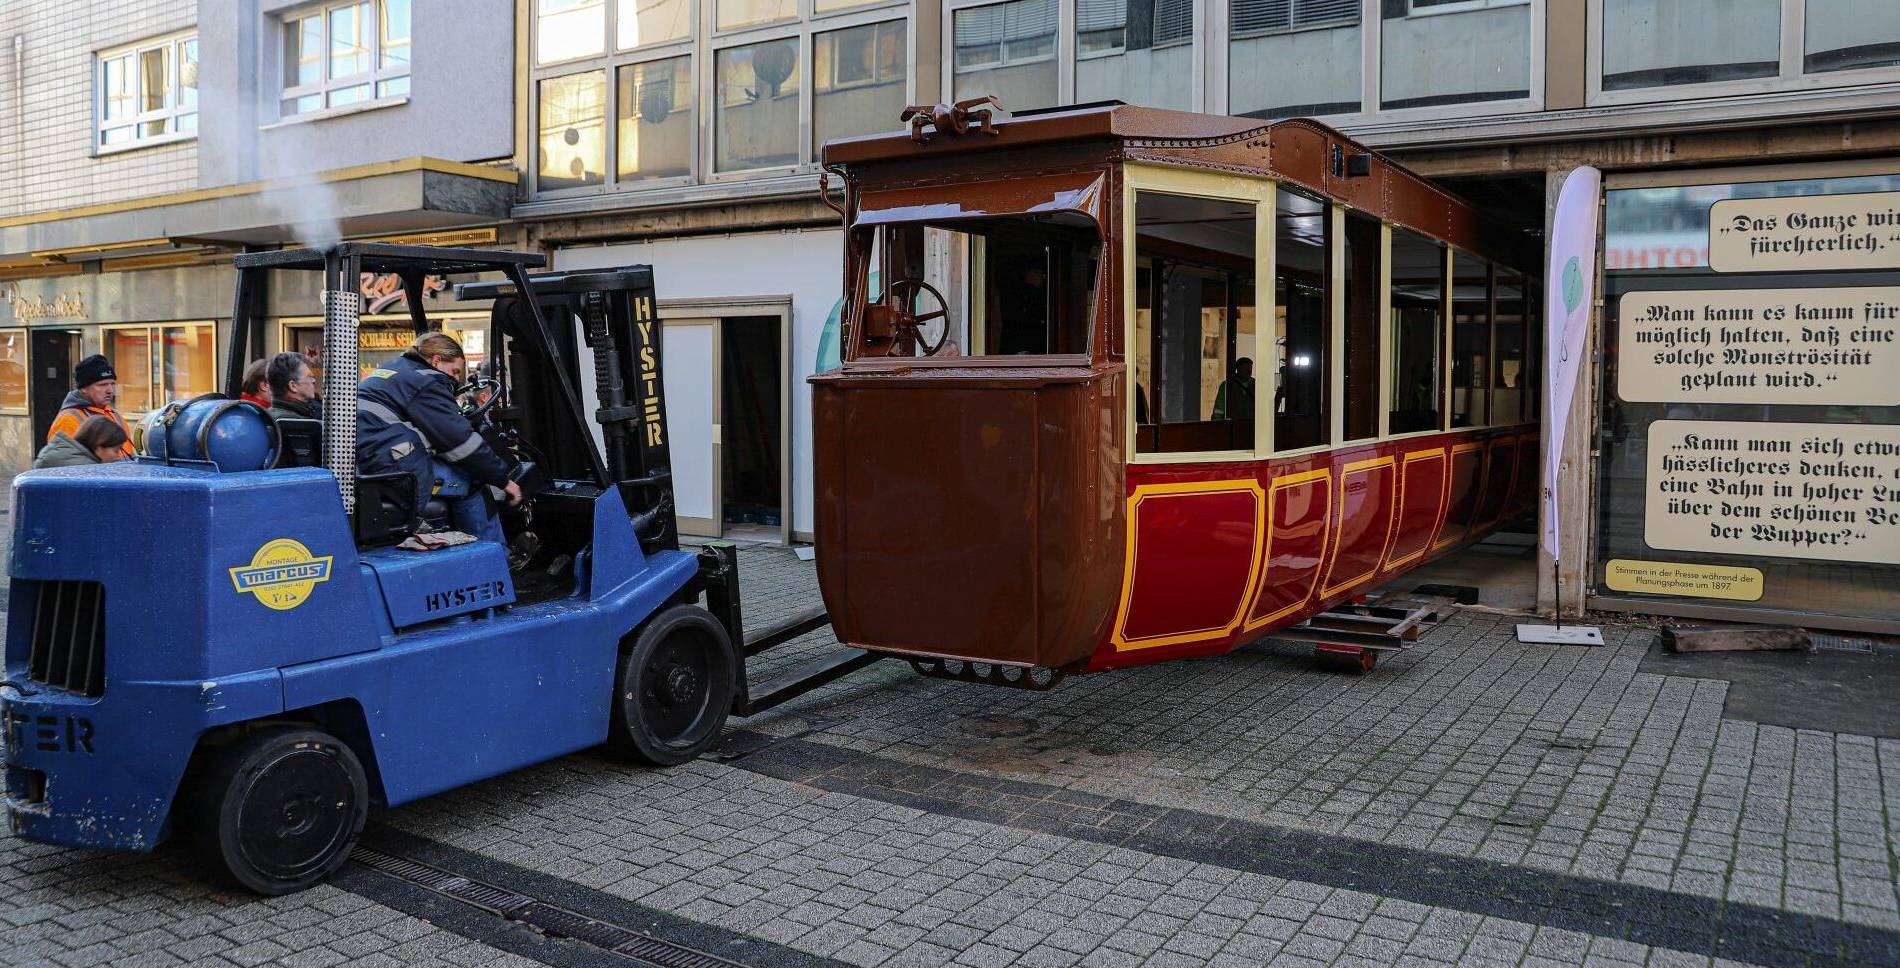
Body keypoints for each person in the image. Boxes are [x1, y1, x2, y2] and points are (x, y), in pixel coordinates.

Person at [357, 332, 522, 542]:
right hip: (392, 462)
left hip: (372, 454)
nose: (456, 379)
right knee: (471, 479)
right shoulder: (426, 382)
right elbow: (460, 444)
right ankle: (493, 551)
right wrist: (503, 480)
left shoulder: (396, 369)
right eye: (455, 371)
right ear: (436, 361)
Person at [46, 354, 133, 458]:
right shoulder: (68, 420)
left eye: (112, 384)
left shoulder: (115, 415)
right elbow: (64, 462)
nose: (110, 390)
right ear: (84, 388)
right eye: (102, 385)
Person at [34, 414, 130, 469]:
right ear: (98, 447)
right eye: (116, 450)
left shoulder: (61, 453)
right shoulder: (86, 469)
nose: (119, 456)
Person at [265, 351, 321, 422]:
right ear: (293, 386)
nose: (314, 381)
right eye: (309, 377)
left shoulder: (267, 417)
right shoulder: (294, 423)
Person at [1212, 357, 1255, 421]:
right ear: (1238, 369)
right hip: (1234, 424)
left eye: (1250, 368)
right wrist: (1217, 424)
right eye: (1245, 368)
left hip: (1252, 424)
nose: (1249, 371)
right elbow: (1219, 410)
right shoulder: (1227, 385)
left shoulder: (1256, 384)